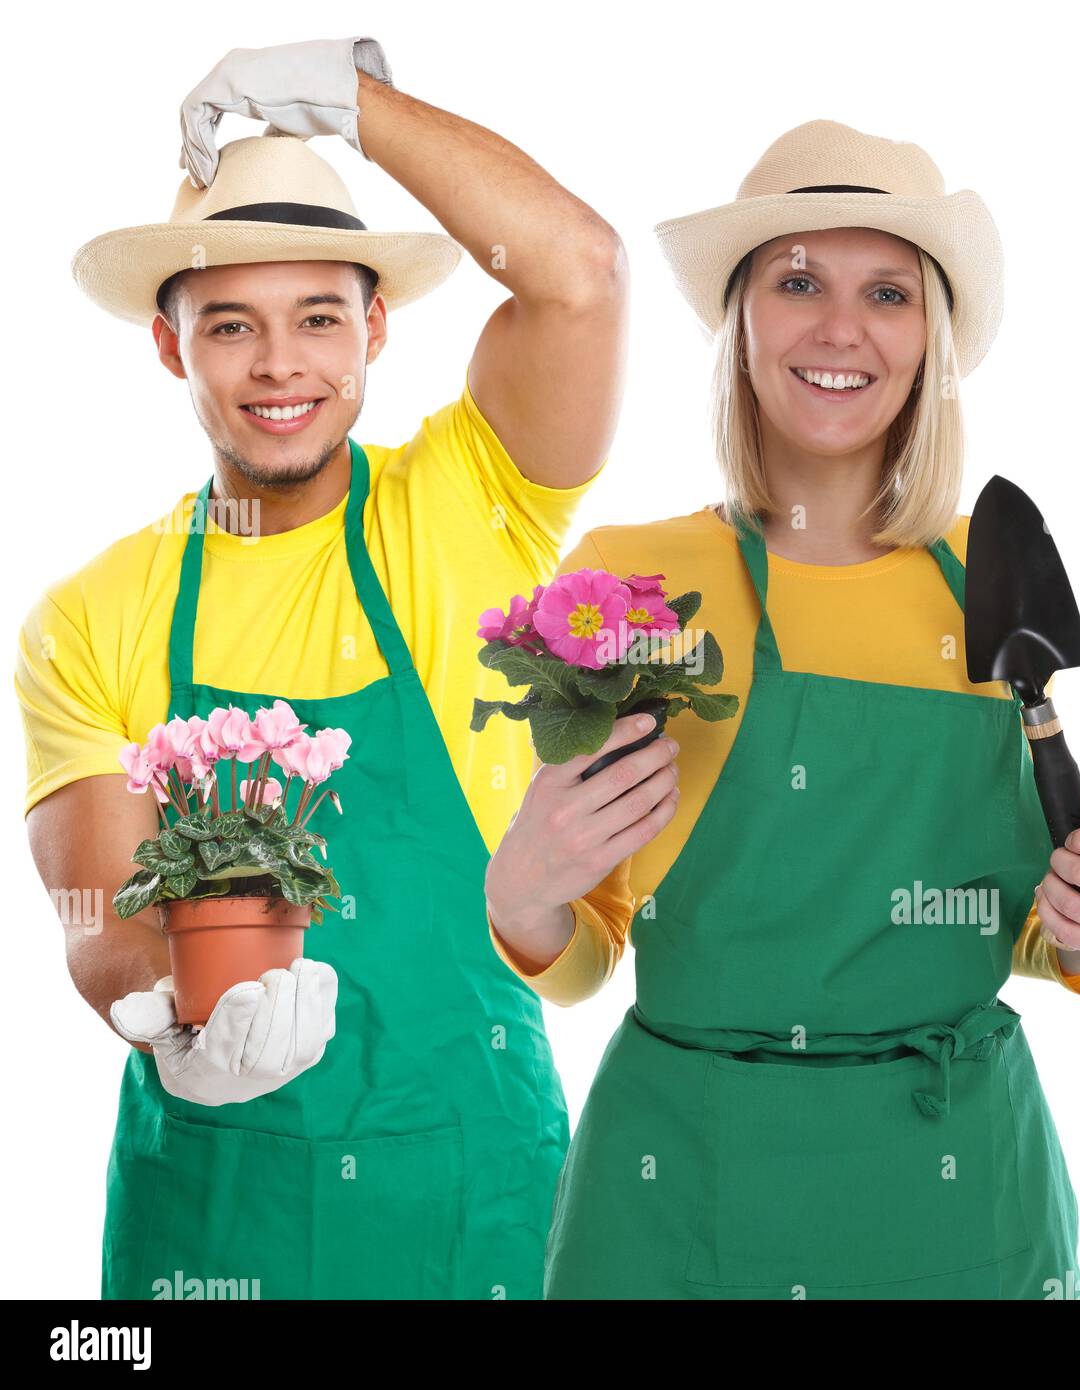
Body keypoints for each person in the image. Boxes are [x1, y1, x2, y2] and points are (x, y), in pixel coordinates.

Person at [484, 120, 1080, 1300]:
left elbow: (1034, 928)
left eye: (887, 293)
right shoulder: (629, 585)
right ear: (741, 323)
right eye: (797, 281)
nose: (840, 328)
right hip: (683, 1190)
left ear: (928, 340)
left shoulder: (986, 576)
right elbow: (583, 950)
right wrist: (521, 899)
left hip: (952, 1195)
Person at [15, 36, 627, 1300]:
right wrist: (170, 1024)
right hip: (212, 1207)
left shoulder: (470, 503)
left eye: (318, 317)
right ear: (171, 346)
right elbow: (101, 916)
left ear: (377, 328)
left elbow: (580, 273)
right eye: (231, 324)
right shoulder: (95, 613)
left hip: (479, 1199)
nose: (280, 365)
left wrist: (352, 107)